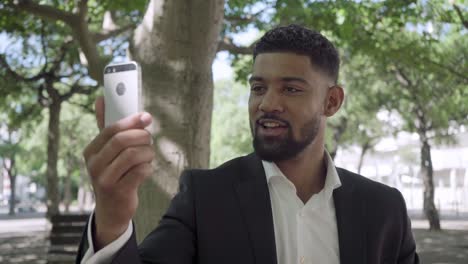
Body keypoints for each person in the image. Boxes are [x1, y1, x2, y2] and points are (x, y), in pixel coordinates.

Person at [77, 24, 419, 264]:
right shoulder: (203, 197)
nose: (267, 103)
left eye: (290, 89)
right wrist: (112, 220)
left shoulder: (385, 210)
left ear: (331, 102)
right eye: (258, 88)